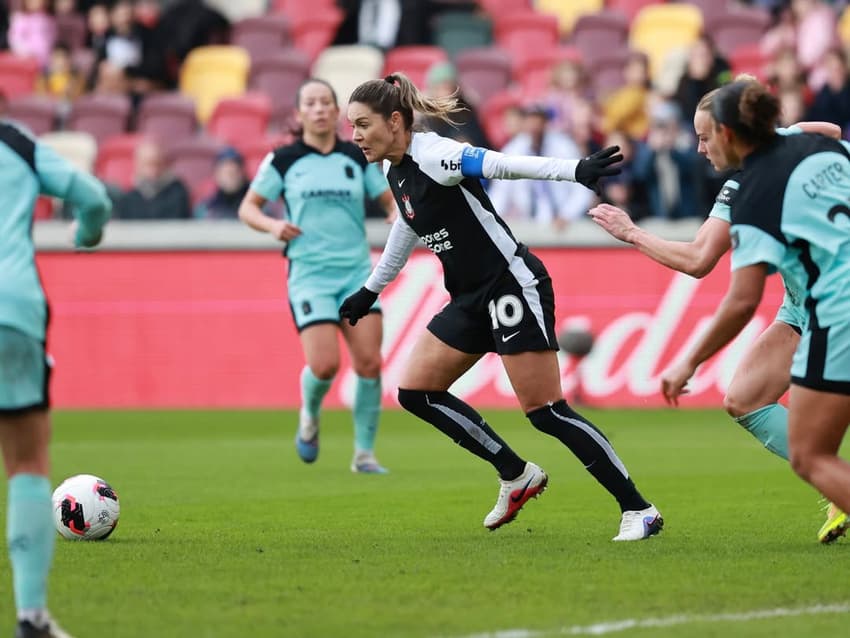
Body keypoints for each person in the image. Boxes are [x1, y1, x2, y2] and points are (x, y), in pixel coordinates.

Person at [339, 72, 662, 540]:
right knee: (416, 391)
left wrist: (574, 170)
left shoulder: (436, 154)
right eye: (352, 126)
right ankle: (515, 473)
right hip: (469, 297)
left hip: (511, 285)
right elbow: (407, 227)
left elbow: (500, 164)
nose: (355, 135)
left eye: (362, 124)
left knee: (546, 411)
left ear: (393, 121)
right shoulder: (394, 169)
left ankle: (639, 509)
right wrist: (371, 290)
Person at [589, 83, 848, 543]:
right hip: (804, 299)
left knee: (812, 454)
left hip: (833, 302)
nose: (699, 148)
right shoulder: (807, 141)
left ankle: (835, 481)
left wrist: (632, 233)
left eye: (705, 136)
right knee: (745, 398)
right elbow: (829, 129)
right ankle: (836, 482)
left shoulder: (751, 191)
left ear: (729, 132)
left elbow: (709, 269)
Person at [239, 78, 397, 474]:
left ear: (337, 111)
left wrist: (397, 213)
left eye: (326, 102)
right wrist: (273, 226)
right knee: (325, 366)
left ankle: (364, 455)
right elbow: (248, 208)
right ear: (298, 113)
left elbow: (388, 198)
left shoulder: (356, 156)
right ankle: (309, 414)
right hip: (310, 274)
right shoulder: (283, 160)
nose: (320, 109)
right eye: (311, 103)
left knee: (369, 363)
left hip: (356, 273)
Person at [0, 120, 111, 638]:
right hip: (11, 308)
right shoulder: (16, 144)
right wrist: (86, 234)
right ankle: (32, 617)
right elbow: (93, 198)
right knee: (26, 462)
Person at [487, 101, 594, 231]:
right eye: (531, 119)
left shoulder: (564, 147)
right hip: (528, 224)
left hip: (565, 225)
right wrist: (493, 220)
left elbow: (582, 188)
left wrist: (567, 215)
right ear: (524, 122)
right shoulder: (513, 150)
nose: (535, 125)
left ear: (546, 122)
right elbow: (500, 192)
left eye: (539, 120)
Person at [113, 138, 191, 220]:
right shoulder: (129, 199)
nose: (153, 170)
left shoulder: (177, 192)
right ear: (138, 165)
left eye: (157, 163)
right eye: (148, 164)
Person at [193, 146, 249, 220]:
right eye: (225, 173)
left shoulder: (256, 207)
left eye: (234, 172)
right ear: (216, 175)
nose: (230, 178)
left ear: (243, 173)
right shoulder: (205, 209)